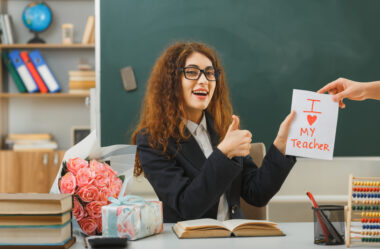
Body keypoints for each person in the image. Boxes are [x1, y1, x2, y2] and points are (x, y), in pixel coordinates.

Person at [132, 41, 296, 223]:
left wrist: (281, 146)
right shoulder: (152, 140)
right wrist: (223, 153)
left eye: (209, 73)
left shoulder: (222, 129)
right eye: (192, 72)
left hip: (232, 238)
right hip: (186, 241)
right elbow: (187, 206)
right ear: (171, 82)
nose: (203, 81)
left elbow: (256, 194)